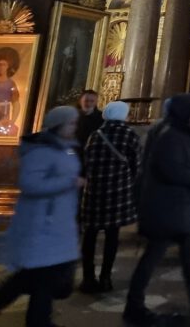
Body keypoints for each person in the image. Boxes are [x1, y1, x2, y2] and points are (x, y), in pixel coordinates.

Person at [124, 94, 190, 325]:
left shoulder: (181, 132)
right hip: (166, 208)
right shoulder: (170, 135)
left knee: (189, 257)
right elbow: (171, 170)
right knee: (151, 258)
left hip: (178, 207)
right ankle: (134, 305)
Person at [0, 107, 82, 327]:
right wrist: (69, 183)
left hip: (57, 222)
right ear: (58, 125)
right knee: (40, 276)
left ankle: (38, 319)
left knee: (37, 276)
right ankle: (39, 321)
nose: (74, 127)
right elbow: (30, 184)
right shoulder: (41, 150)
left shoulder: (65, 148)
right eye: (70, 123)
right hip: (43, 223)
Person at [79, 100, 141, 293]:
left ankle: (87, 278)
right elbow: (136, 163)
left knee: (89, 236)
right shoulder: (129, 134)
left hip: (94, 191)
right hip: (117, 192)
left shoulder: (95, 134)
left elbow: (86, 161)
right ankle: (105, 277)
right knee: (112, 236)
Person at [76, 89, 103, 168]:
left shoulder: (101, 118)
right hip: (74, 154)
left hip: (92, 157)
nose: (88, 103)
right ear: (81, 101)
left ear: (96, 102)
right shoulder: (73, 115)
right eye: (86, 101)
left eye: (92, 101)